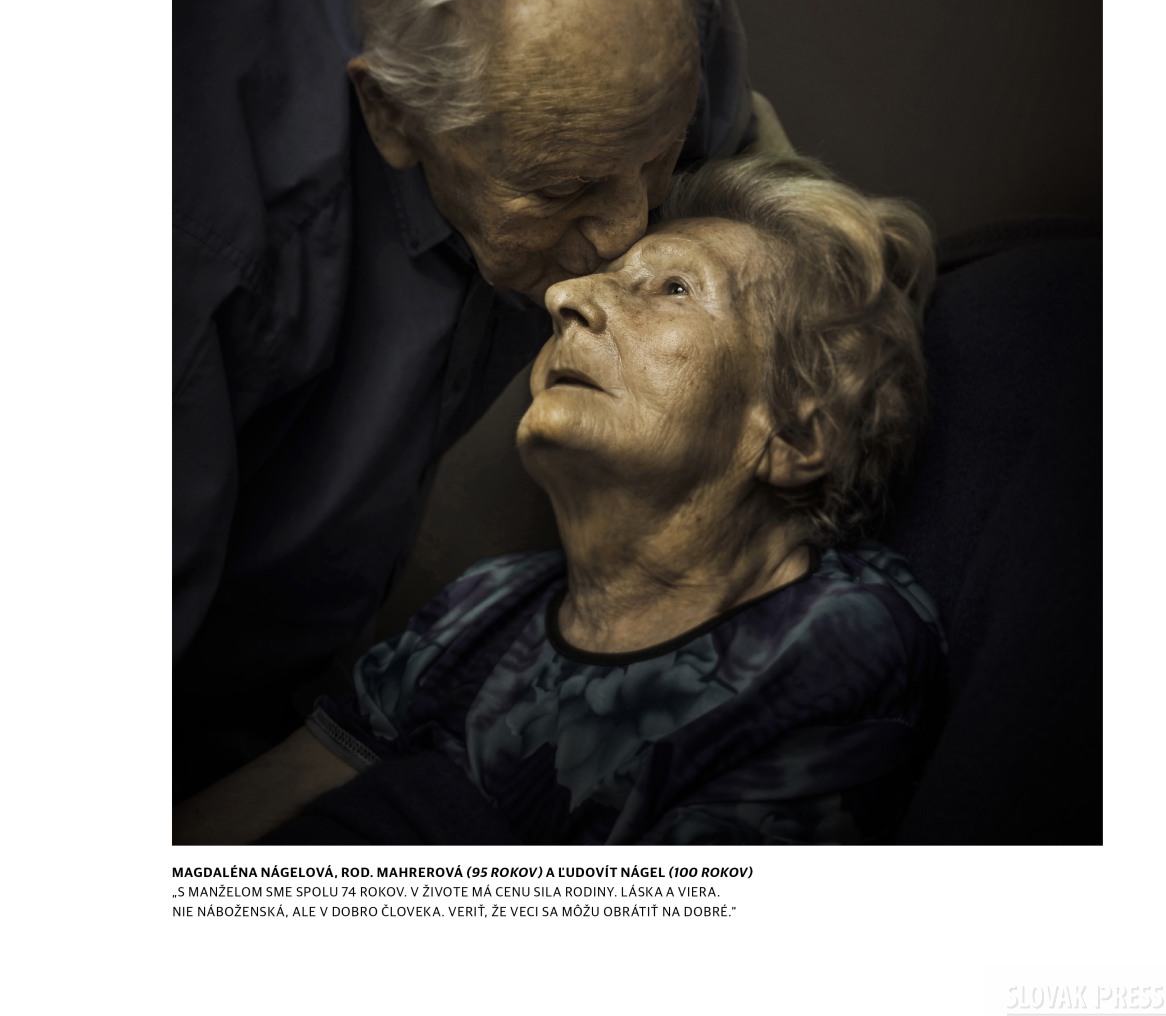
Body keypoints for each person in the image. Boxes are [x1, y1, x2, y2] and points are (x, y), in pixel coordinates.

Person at [174, 0, 785, 797]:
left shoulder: (662, 30)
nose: (627, 236)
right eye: (562, 189)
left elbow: (774, 226)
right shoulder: (195, 215)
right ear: (392, 114)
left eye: (656, 163)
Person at [173, 155, 946, 846]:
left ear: (795, 434)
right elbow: (249, 812)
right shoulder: (484, 601)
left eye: (673, 289)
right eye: (599, 280)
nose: (565, 295)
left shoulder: (835, 639)